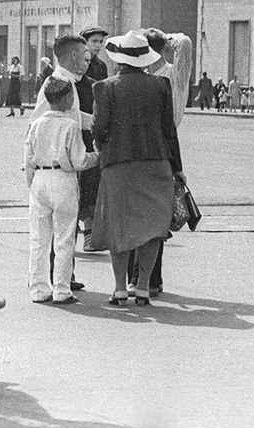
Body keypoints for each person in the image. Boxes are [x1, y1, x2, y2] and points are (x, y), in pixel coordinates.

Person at [90, 30, 183, 306]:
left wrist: (102, 145)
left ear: (119, 60)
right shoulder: (161, 86)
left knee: (119, 225)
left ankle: (120, 289)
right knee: (152, 226)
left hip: (118, 164)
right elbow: (170, 131)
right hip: (156, 163)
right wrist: (177, 168)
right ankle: (142, 287)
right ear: (145, 59)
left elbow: (99, 127)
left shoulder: (105, 87)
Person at [128, 27, 192, 296]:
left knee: (154, 217)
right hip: (145, 144)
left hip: (164, 145)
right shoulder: (141, 75)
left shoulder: (172, 73)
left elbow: (185, 43)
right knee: (138, 214)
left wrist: (166, 38)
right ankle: (141, 278)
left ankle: (149, 279)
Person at [24, 77, 99, 305]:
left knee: (39, 239)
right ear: (67, 98)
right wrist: (97, 156)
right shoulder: (70, 125)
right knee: (64, 238)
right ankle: (61, 289)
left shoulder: (36, 124)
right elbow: (79, 160)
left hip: (40, 178)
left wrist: (33, 184)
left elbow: (28, 159)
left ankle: (38, 289)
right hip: (63, 179)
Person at [30, 36, 95, 283]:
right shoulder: (58, 82)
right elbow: (37, 121)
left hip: (60, 166)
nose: (88, 59)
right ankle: (56, 279)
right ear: (73, 56)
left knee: (59, 229)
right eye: (84, 54)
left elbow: (73, 116)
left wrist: (94, 120)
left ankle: (62, 275)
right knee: (59, 230)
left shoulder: (67, 81)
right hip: (58, 168)